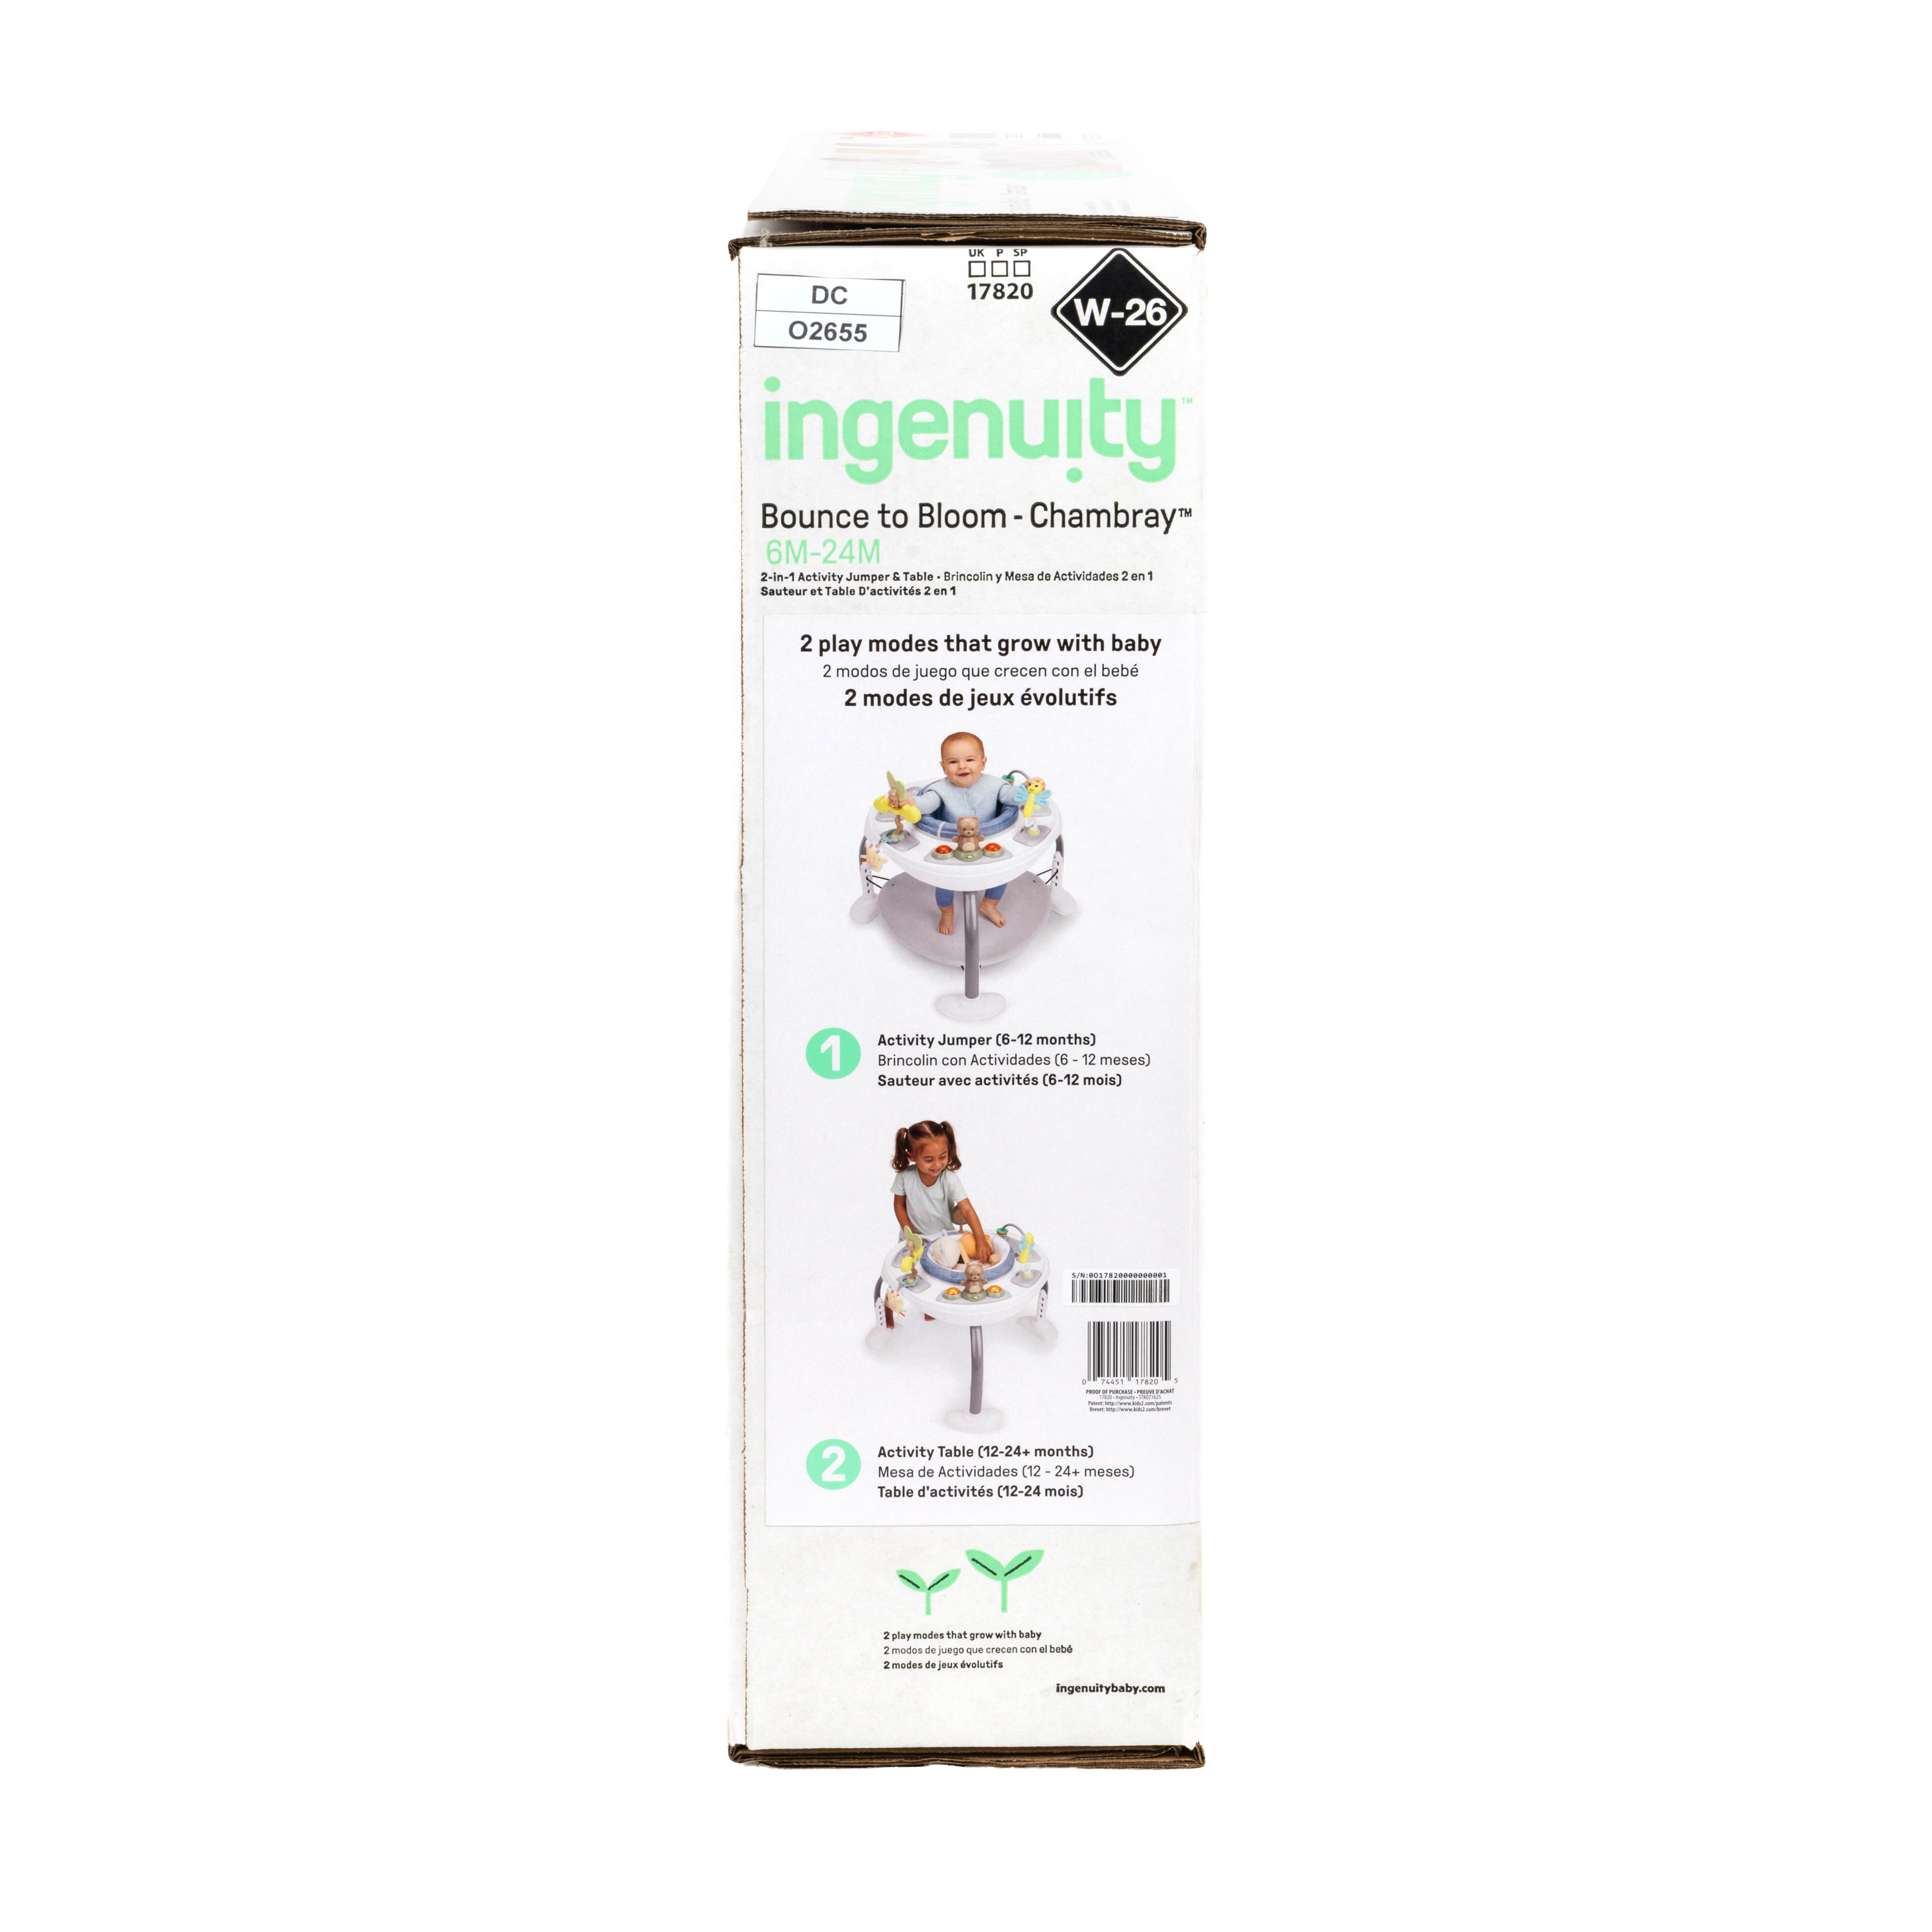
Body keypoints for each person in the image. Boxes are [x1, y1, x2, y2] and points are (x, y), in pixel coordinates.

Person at [914, 732, 1040, 936]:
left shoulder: (995, 785)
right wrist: (908, 803)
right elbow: (925, 805)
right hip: (950, 841)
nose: (962, 766)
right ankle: (947, 913)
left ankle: (989, 904)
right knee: (944, 881)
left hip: (992, 838)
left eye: (970, 760)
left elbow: (1012, 798)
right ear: (943, 767)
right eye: (953, 762)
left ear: (983, 763)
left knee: (1002, 873)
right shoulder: (939, 790)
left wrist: (1027, 789)